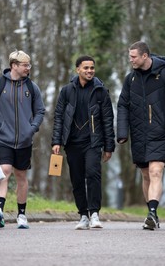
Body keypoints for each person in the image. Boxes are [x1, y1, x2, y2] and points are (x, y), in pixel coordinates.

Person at [117, 41, 165, 230]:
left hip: (162, 133)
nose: (130, 60)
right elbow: (123, 105)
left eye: (133, 57)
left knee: (156, 171)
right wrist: (122, 132)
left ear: (144, 56)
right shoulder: (130, 79)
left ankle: (152, 213)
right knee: (146, 175)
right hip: (139, 134)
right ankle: (151, 214)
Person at [0, 50, 45, 229]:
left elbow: (40, 111)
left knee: (21, 176)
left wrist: (32, 129)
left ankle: (21, 215)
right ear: (14, 66)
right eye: (25, 65)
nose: (28, 68)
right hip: (3, 139)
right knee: (4, 170)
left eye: (29, 65)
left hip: (25, 141)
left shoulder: (32, 87)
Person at [51, 55, 115, 230]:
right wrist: (56, 141)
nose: (90, 71)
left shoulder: (101, 91)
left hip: (93, 142)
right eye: (86, 68)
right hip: (72, 142)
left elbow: (108, 120)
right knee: (77, 179)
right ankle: (83, 215)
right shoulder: (66, 91)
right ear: (77, 69)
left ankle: (94, 214)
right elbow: (58, 117)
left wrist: (109, 146)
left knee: (93, 174)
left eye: (92, 68)